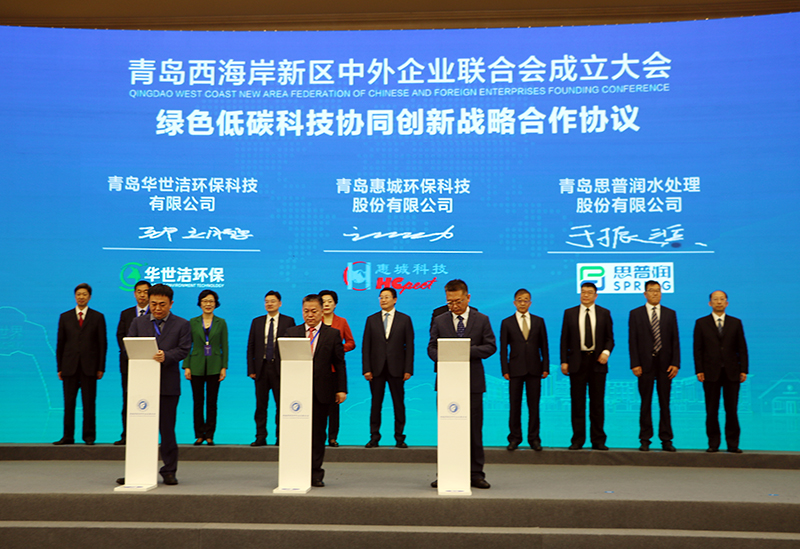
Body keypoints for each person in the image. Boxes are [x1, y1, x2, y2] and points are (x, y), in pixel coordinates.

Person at [118, 284, 191, 485]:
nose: (157, 308)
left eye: (162, 304)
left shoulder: (182, 324)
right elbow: (128, 347)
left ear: (171, 304)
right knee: (139, 429)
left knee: (167, 430)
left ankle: (169, 470)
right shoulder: (138, 322)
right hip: (141, 385)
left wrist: (166, 355)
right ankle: (137, 469)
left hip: (168, 385)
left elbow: (184, 349)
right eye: (153, 304)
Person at [428, 279, 496, 489]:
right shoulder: (440, 320)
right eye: (450, 302)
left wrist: (465, 350)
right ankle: (446, 472)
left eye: (458, 301)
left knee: (474, 430)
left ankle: (476, 473)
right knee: (447, 429)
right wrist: (445, 355)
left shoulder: (482, 319)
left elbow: (491, 346)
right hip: (447, 383)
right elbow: (431, 348)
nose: (454, 306)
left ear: (468, 297)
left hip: (473, 383)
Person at [285, 294, 347, 487]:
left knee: (318, 434)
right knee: (296, 433)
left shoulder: (332, 334)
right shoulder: (291, 333)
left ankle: (315, 473)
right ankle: (296, 471)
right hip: (295, 392)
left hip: (322, 391)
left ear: (322, 312)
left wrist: (341, 389)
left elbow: (340, 363)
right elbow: (282, 361)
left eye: (313, 311)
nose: (310, 315)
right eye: (306, 311)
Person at [560, 282, 614, 451]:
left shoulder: (604, 313)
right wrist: (564, 361)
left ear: (596, 295)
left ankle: (598, 440)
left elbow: (609, 338)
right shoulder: (570, 313)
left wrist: (606, 352)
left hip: (598, 362)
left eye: (589, 292)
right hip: (577, 362)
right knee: (578, 403)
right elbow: (564, 339)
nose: (585, 295)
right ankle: (578, 440)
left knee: (597, 404)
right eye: (583, 292)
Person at [694, 290, 748, 453]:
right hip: (710, 372)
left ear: (727, 303)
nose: (719, 302)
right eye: (715, 299)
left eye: (722, 299)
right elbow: (698, 349)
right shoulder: (701, 323)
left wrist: (744, 369)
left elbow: (742, 348)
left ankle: (733, 444)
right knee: (711, 410)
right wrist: (699, 369)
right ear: (710, 303)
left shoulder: (735, 323)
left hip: (732, 372)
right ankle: (713, 443)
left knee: (732, 410)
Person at [628, 280, 680, 452]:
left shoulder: (670, 313)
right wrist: (635, 363)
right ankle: (645, 439)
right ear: (645, 294)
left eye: (658, 290)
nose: (655, 293)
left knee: (665, 403)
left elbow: (675, 340)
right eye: (651, 290)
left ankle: (666, 440)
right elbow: (632, 341)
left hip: (666, 365)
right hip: (644, 365)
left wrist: (675, 363)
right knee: (646, 403)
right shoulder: (635, 313)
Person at [54, 283, 107, 445]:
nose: (81, 297)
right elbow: (60, 343)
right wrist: (60, 367)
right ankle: (67, 436)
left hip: (89, 367)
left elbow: (102, 344)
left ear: (89, 297)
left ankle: (89, 436)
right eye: (78, 294)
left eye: (84, 294)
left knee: (89, 403)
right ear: (75, 296)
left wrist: (100, 367)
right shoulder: (65, 317)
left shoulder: (97, 317)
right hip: (69, 366)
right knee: (69, 403)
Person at [362, 288, 414, 448]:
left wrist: (408, 369)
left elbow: (410, 347)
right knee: (375, 404)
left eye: (386, 297)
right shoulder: (371, 319)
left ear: (395, 299)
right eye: (381, 297)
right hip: (376, 369)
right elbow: (366, 346)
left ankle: (399, 438)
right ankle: (374, 437)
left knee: (399, 404)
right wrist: (366, 369)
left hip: (397, 369)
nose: (383, 300)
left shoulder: (405, 319)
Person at [499, 288, 549, 451]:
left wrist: (545, 367)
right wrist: (505, 369)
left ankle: (534, 439)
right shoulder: (507, 322)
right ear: (514, 303)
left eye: (525, 300)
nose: (522, 303)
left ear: (530, 303)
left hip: (535, 369)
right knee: (515, 406)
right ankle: (514, 438)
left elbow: (544, 346)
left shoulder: (539, 321)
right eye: (519, 300)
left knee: (534, 407)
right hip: (515, 370)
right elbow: (503, 349)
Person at [246, 290, 296, 446]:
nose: (269, 304)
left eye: (273, 301)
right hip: (261, 369)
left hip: (280, 369)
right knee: (261, 406)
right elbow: (251, 346)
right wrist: (251, 369)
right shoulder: (257, 322)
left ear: (280, 303)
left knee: (281, 405)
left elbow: (292, 346)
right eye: (266, 301)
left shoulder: (288, 321)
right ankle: (260, 436)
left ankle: (281, 436)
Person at [184, 289, 228, 446]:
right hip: (196, 365)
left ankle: (209, 434)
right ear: (200, 303)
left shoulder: (221, 322)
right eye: (205, 301)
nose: (208, 304)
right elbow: (187, 345)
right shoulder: (192, 322)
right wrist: (186, 366)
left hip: (215, 366)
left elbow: (225, 346)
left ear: (215, 304)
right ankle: (199, 434)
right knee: (197, 402)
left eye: (211, 301)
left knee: (212, 402)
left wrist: (224, 367)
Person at [114, 280, 151, 445]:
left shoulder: (156, 313)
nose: (142, 295)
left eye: (146, 292)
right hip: (129, 364)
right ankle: (127, 435)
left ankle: (147, 435)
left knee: (149, 400)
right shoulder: (126, 313)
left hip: (151, 365)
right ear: (134, 294)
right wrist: (132, 353)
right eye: (139, 292)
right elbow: (120, 335)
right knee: (128, 399)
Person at [318, 289, 355, 447]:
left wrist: (338, 349)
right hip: (318, 371)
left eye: (330, 301)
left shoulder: (342, 321)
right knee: (318, 406)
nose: (326, 304)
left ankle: (332, 437)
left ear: (335, 304)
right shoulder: (315, 321)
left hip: (334, 370)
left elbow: (351, 342)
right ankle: (317, 436)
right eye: (323, 302)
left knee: (333, 406)